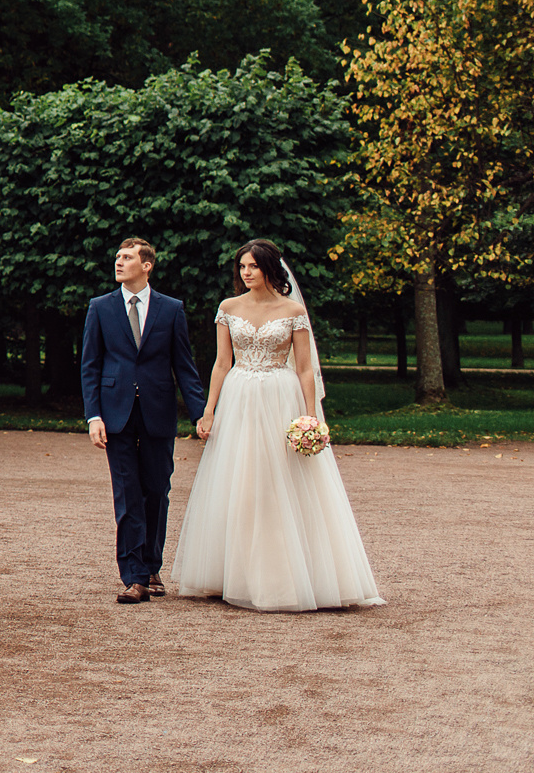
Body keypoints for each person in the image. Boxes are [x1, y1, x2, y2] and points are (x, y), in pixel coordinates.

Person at [171, 239, 383, 611]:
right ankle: (231, 573)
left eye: (252, 266)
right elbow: (222, 363)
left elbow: (303, 369)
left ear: (270, 269)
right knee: (239, 482)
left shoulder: (292, 310)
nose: (245, 273)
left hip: (279, 398)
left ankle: (289, 575)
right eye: (242, 267)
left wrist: (310, 416)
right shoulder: (228, 308)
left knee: (279, 482)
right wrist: (208, 411)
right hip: (239, 397)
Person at [80, 237, 208, 603]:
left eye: (127, 257)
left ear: (146, 265)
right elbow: (90, 366)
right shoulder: (100, 308)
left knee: (157, 491)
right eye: (117, 256)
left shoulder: (171, 309)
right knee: (127, 494)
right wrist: (94, 416)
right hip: (115, 414)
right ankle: (133, 576)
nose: (119, 262)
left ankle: (152, 567)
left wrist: (201, 413)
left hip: (158, 413)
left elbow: (184, 367)